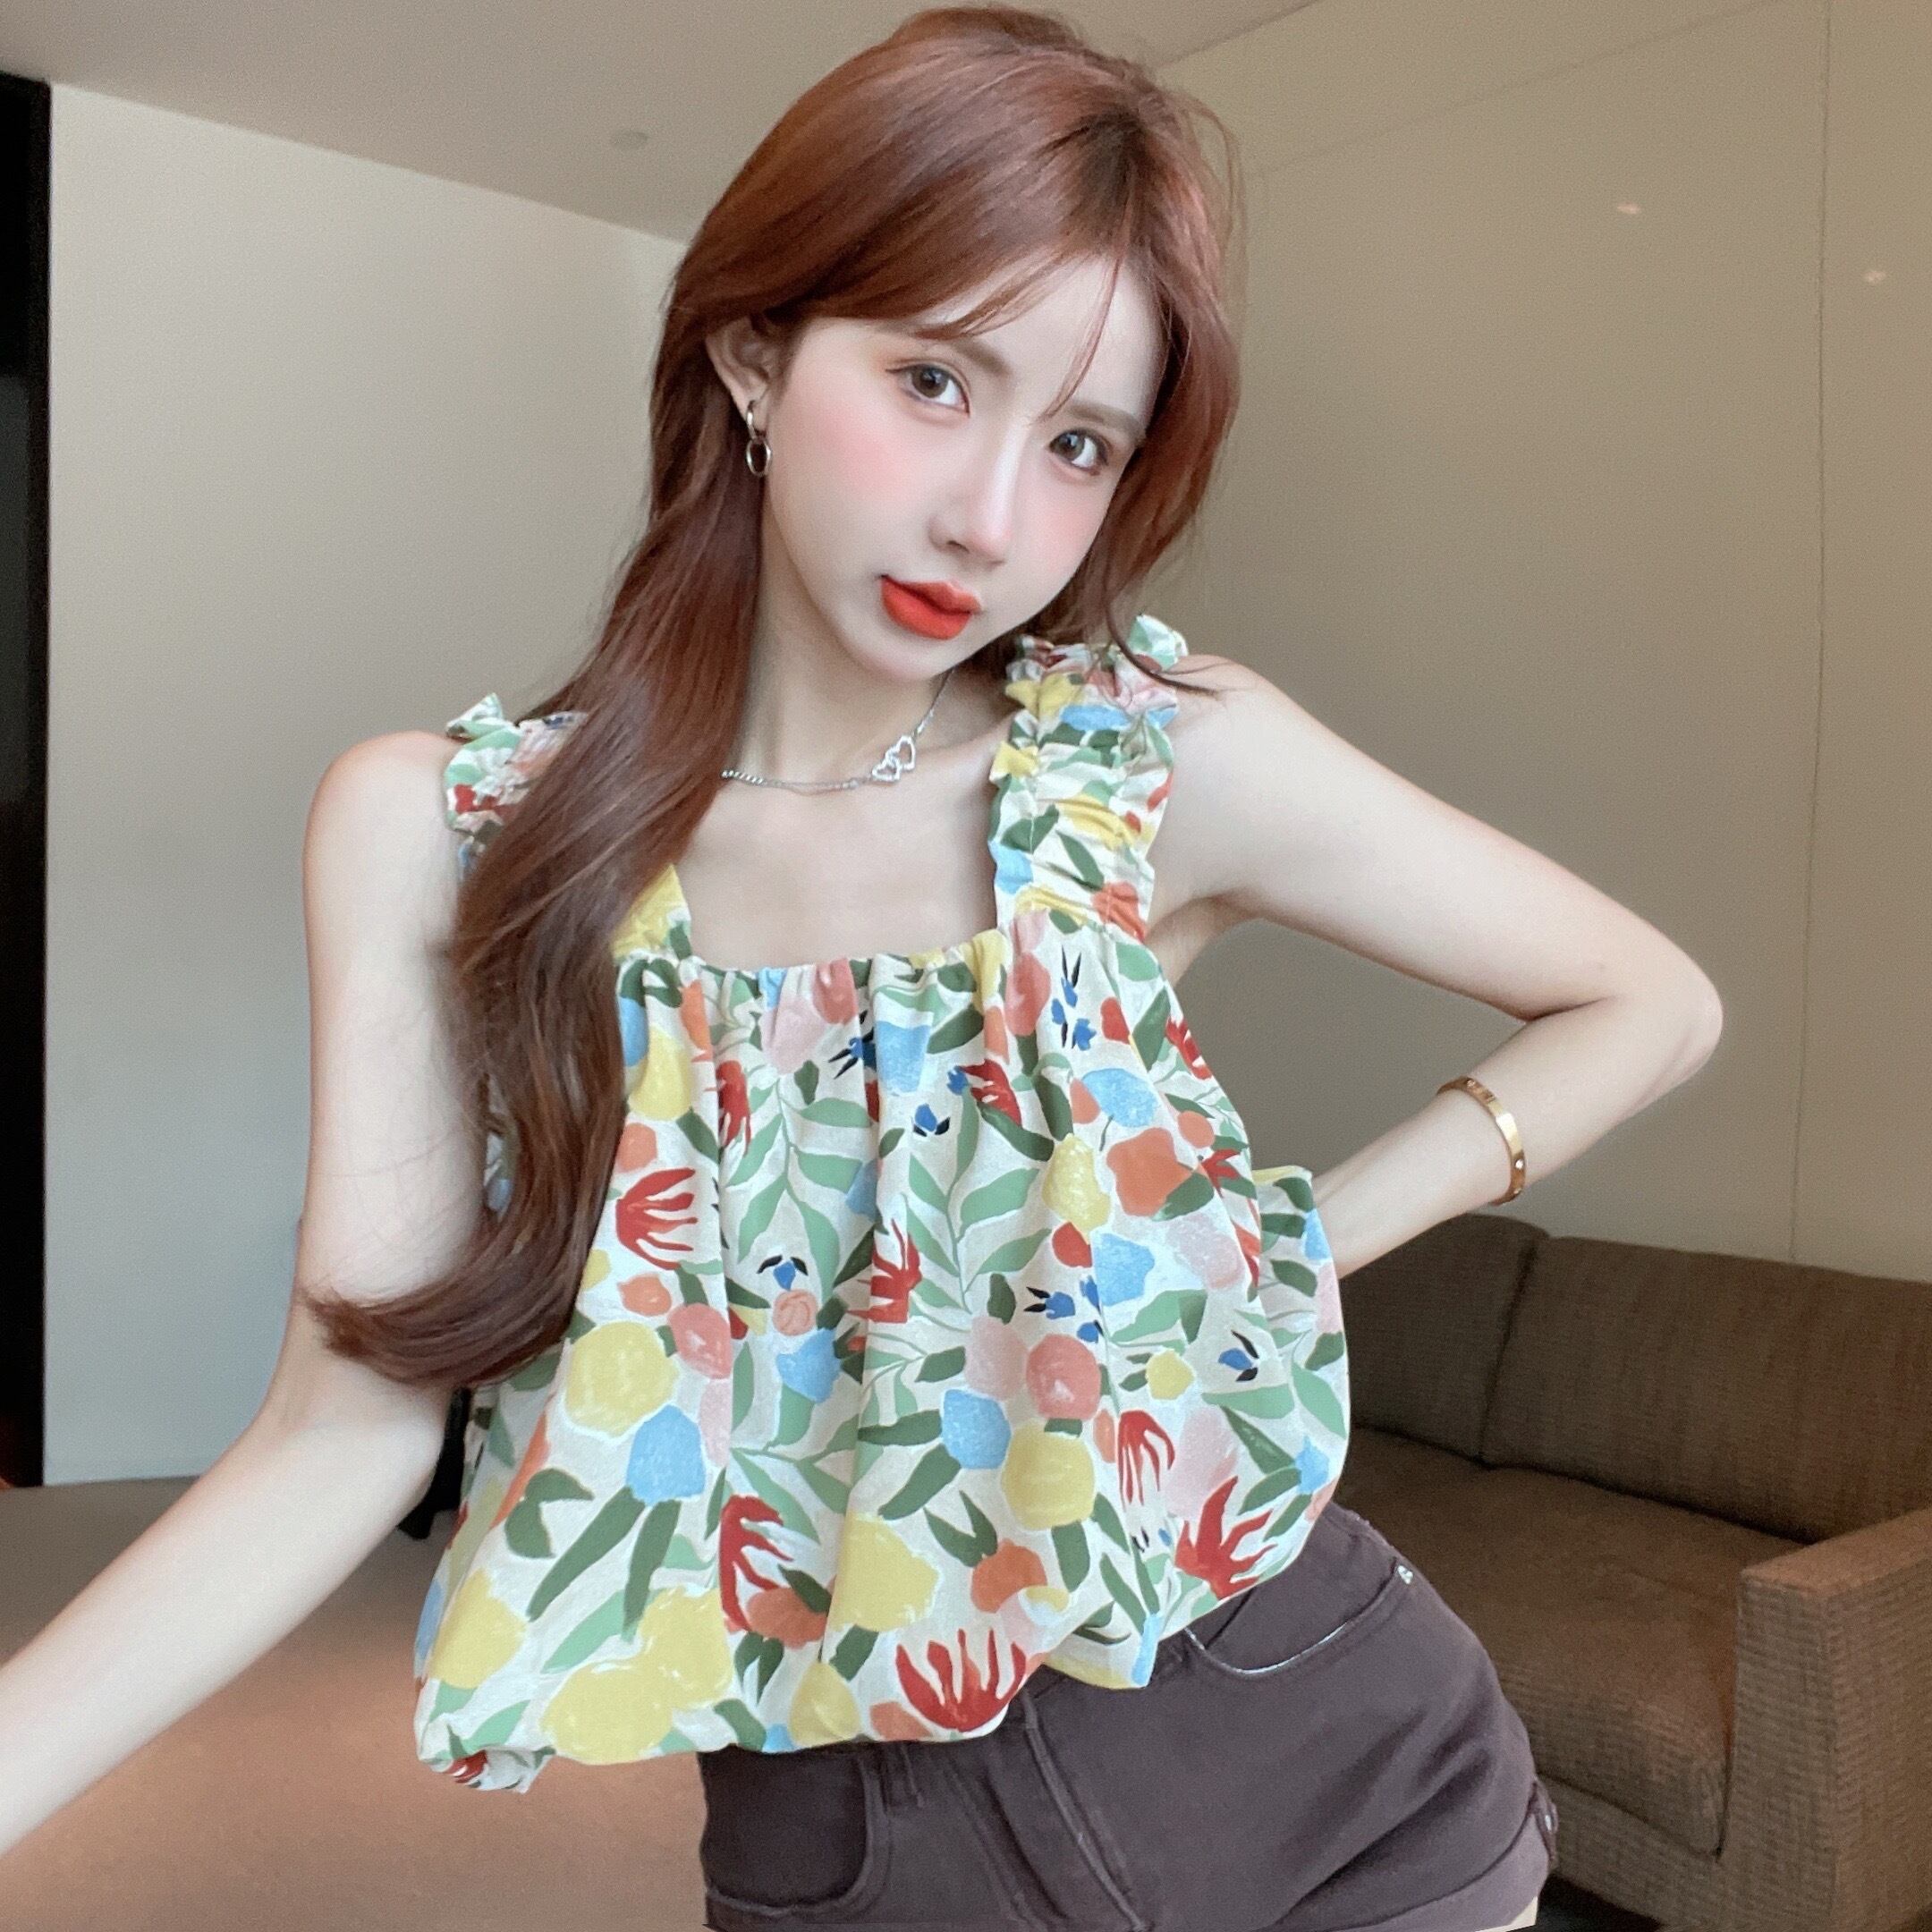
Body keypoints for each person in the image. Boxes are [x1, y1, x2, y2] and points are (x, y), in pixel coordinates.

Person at [0, 7, 1723, 1928]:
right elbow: (339, 1439)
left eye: (1078, 443)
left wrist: (1295, 1246)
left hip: (1339, 1779)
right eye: (931, 380)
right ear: (754, 350)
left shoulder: (1145, 764)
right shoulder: (449, 830)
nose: (991, 517)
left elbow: (1652, 1000)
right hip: (863, 1853)